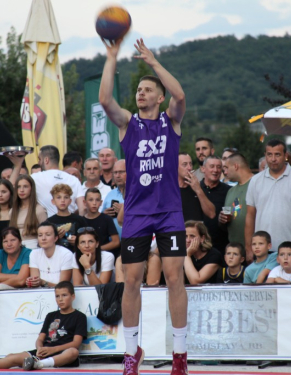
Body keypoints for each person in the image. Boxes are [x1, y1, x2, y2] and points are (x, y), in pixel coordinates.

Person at [99, 37, 188, 373]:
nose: (141, 93)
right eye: (138, 90)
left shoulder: (171, 120)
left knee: (173, 276)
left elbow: (180, 95)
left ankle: (179, 355)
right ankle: (131, 352)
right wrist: (111, 56)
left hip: (169, 212)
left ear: (159, 96)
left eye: (148, 90)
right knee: (132, 280)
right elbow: (105, 98)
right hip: (136, 213)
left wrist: (153, 63)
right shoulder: (128, 124)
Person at [0, 281, 87, 371]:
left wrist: (53, 350)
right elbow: (40, 338)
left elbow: (76, 343)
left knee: (73, 352)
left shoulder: (79, 317)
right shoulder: (51, 315)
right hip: (44, 352)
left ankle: (38, 365)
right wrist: (40, 348)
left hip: (63, 353)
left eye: (64, 295)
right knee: (12, 357)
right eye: (57, 296)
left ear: (73, 296)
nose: (60, 299)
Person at [245, 139, 291, 258]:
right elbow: (250, 216)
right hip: (262, 250)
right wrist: (249, 248)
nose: (273, 159)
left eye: (277, 154)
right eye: (269, 154)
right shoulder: (255, 180)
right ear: (265, 156)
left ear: (285, 156)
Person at [219, 153, 254, 254]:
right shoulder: (231, 191)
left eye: (226, 168)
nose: (224, 172)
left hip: (255, 250)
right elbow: (227, 222)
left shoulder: (257, 183)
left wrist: (249, 249)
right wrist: (221, 220)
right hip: (235, 252)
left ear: (236, 166)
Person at [27, 221, 73, 288]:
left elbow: (63, 287)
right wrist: (32, 282)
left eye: (48, 235)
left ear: (55, 238)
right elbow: (35, 281)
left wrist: (43, 282)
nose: (43, 238)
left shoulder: (66, 254)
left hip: (60, 296)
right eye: (40, 235)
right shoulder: (34, 254)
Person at [200, 155, 231, 253]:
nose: (216, 170)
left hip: (221, 245)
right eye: (212, 166)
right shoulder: (195, 189)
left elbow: (233, 212)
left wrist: (227, 218)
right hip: (197, 245)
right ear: (203, 169)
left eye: (218, 167)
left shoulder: (229, 191)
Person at [9, 175, 47, 249]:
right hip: (16, 248)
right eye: (19, 187)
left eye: (25, 186)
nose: (21, 190)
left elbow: (45, 232)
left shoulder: (39, 210)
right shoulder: (12, 211)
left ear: (31, 189)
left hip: (35, 247)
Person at [47, 184, 87, 251]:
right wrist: (56, 238)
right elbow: (45, 244)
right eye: (59, 197)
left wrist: (78, 242)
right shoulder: (49, 222)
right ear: (53, 201)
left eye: (66, 197)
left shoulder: (80, 220)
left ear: (70, 201)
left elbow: (88, 239)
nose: (62, 200)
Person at [83, 188, 120, 257]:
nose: (94, 203)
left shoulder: (106, 219)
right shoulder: (81, 220)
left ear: (101, 202)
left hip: (103, 255)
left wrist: (97, 249)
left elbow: (116, 242)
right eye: (91, 200)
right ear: (84, 202)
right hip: (85, 255)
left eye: (97, 200)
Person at [178, 152, 215, 222]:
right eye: (185, 164)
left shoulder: (199, 187)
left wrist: (198, 190)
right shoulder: (169, 190)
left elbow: (211, 214)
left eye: (190, 164)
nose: (189, 168)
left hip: (196, 231)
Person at [102, 160, 127, 239]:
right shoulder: (110, 194)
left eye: (121, 172)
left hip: (133, 241)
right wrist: (104, 215)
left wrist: (124, 210)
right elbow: (100, 217)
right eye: (115, 173)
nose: (117, 176)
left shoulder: (138, 193)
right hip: (112, 244)